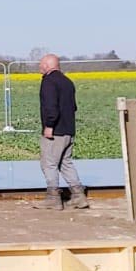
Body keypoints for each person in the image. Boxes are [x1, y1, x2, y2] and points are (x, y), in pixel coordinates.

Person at [37, 54, 88, 210]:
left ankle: (53, 197)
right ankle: (79, 196)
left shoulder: (49, 81)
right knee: (66, 163)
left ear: (47, 65)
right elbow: (73, 107)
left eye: (41, 64)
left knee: (49, 163)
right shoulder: (67, 82)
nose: (39, 67)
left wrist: (49, 125)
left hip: (56, 132)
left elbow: (51, 106)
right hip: (69, 130)